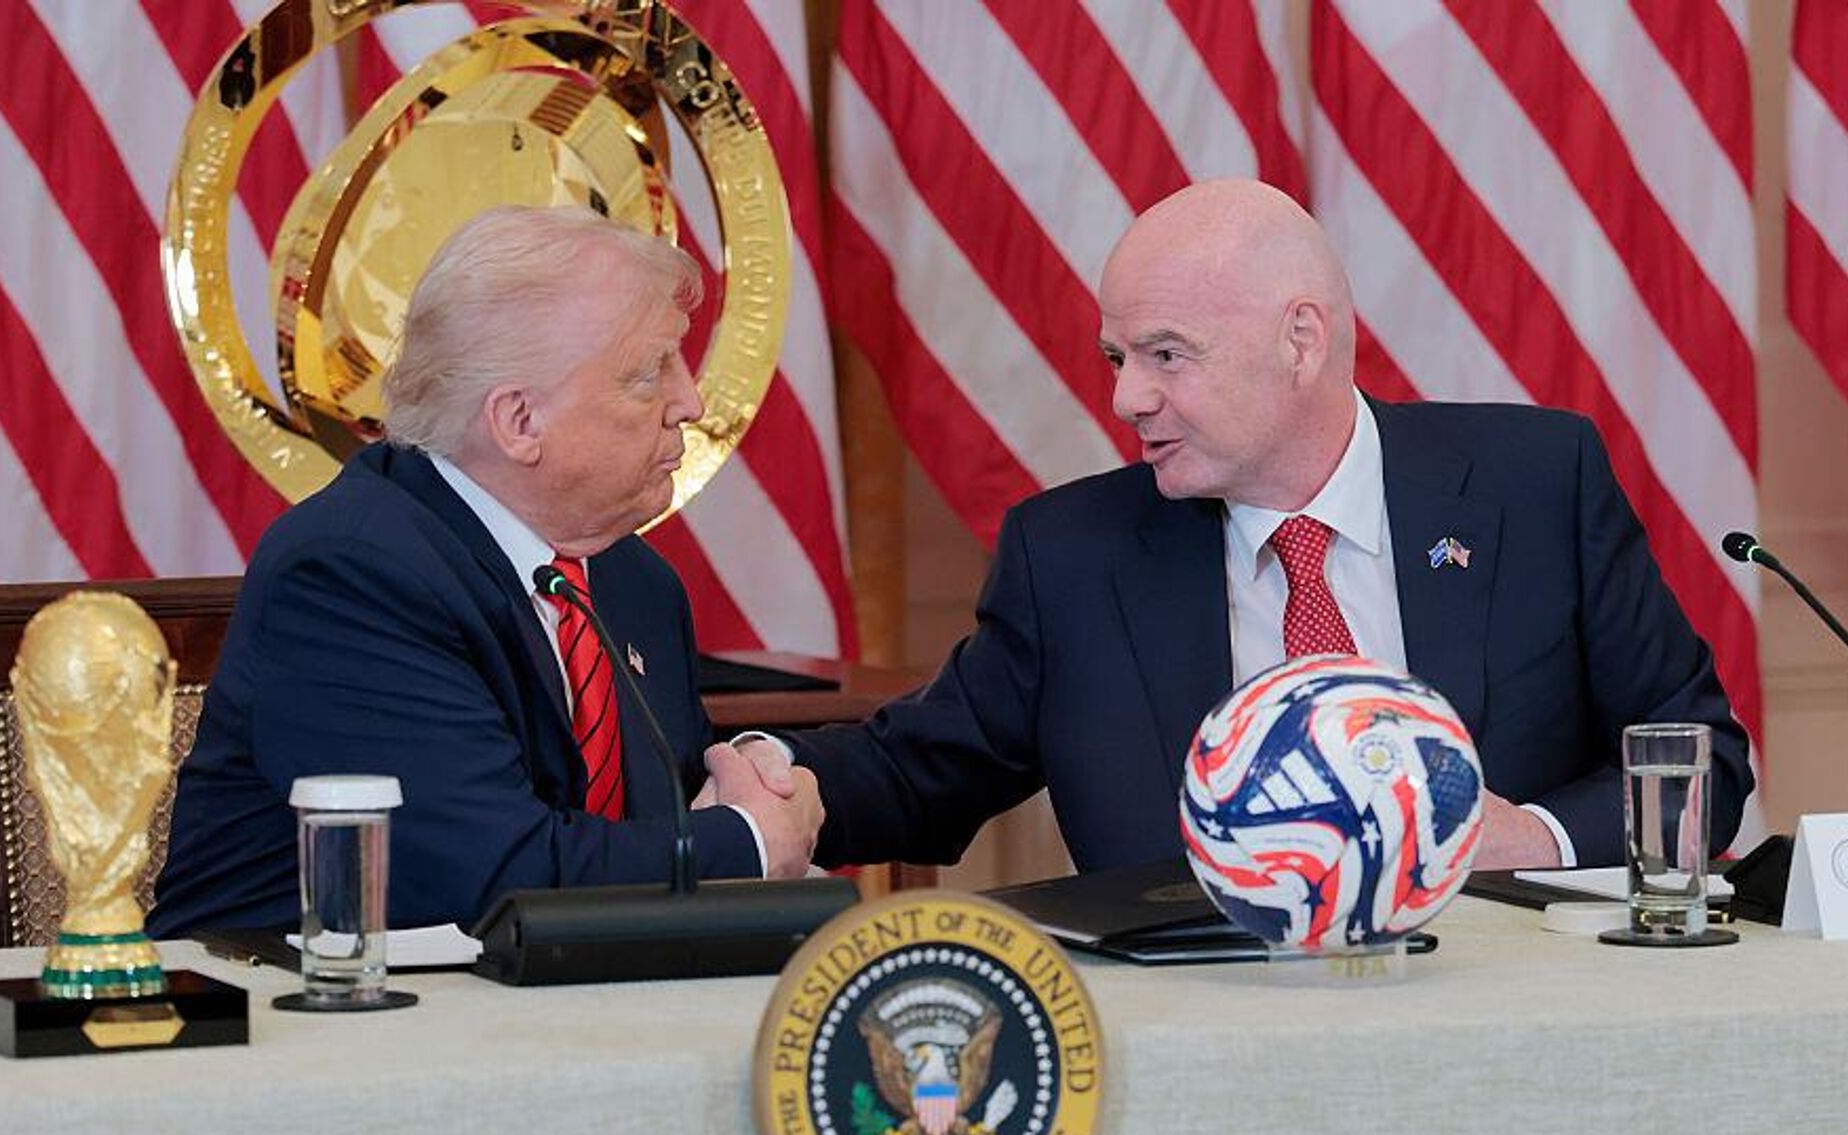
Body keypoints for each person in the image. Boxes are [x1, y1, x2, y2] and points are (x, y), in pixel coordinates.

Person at [769, 180, 1751, 873]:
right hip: (1205, 1035)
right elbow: (916, 771)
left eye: (1166, 355)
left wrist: (1529, 840)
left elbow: (1699, 762)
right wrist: (768, 784)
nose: (1126, 397)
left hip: (1502, 1012)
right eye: (1117, 357)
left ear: (1301, 341)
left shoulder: (1534, 486)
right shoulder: (1073, 557)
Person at [150, 206, 822, 936]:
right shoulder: (351, 574)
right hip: (287, 1000)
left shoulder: (635, 583)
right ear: (519, 422)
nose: (690, 403)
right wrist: (746, 844)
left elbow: (663, 822)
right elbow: (497, 880)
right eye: (650, 373)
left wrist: (756, 784)